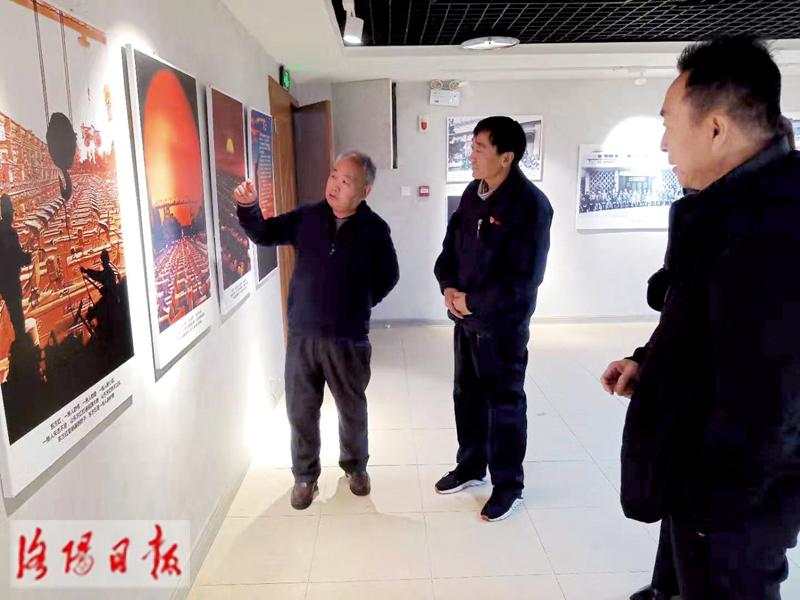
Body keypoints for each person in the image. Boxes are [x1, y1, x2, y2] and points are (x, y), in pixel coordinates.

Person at [602, 35, 800, 599]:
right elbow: (706, 326)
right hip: (696, 474)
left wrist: (712, 511)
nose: (664, 142)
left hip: (735, 504)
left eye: (669, 123)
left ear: (716, 128)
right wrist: (649, 363)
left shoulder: (775, 229)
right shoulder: (724, 211)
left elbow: (767, 403)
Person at [235, 151, 399, 510]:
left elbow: (389, 276)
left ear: (365, 190)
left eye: (346, 181)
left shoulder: (374, 230)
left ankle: (356, 467)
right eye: (333, 175)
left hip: (348, 338)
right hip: (303, 335)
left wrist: (358, 303)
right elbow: (264, 233)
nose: (335, 185)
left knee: (351, 409)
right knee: (301, 410)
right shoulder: (308, 217)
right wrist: (248, 207)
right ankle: (304, 476)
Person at [433, 116, 553, 522]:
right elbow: (450, 247)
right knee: (465, 396)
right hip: (465, 320)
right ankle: (470, 466)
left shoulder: (530, 206)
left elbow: (526, 278)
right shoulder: (473, 193)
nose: (471, 155)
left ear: (507, 157)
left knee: (504, 404)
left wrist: (475, 302)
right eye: (472, 147)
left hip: (502, 327)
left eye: (480, 148)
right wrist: (449, 286)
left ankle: (508, 486)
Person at [0, 194, 32, 342]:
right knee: (18, 319)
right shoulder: (9, 232)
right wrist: (27, 258)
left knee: (15, 316)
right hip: (11, 282)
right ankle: (23, 345)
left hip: (4, 282)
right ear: (9, 214)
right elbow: (14, 257)